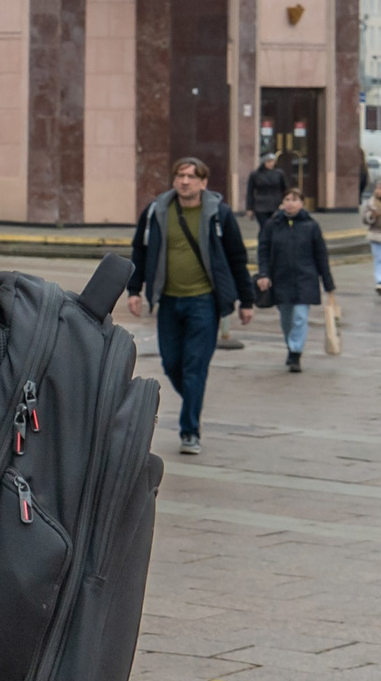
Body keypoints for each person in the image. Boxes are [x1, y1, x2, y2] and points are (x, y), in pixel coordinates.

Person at [125, 158, 257, 457]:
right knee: (171, 363)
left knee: (194, 366)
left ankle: (189, 431)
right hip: (168, 301)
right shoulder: (156, 211)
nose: (184, 181)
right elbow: (140, 251)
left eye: (191, 176)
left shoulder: (219, 214)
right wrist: (134, 290)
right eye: (180, 175)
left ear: (203, 182)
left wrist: (246, 301)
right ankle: (193, 401)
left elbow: (237, 258)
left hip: (203, 302)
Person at [253, 186, 335, 373]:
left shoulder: (311, 226)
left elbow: (321, 255)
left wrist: (328, 283)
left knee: (300, 317)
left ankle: (295, 352)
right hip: (280, 278)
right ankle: (291, 346)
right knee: (286, 318)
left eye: (295, 200)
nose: (290, 203)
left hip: (305, 278)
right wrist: (263, 273)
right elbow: (263, 251)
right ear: (282, 203)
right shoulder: (272, 225)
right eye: (287, 200)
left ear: (302, 203)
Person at [245, 152, 289, 228]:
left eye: (273, 161)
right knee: (265, 227)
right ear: (263, 162)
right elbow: (250, 192)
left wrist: (284, 203)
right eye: (268, 161)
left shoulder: (279, 174)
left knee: (277, 227)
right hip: (260, 206)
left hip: (276, 204)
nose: (271, 164)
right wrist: (249, 208)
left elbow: (285, 189)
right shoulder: (255, 174)